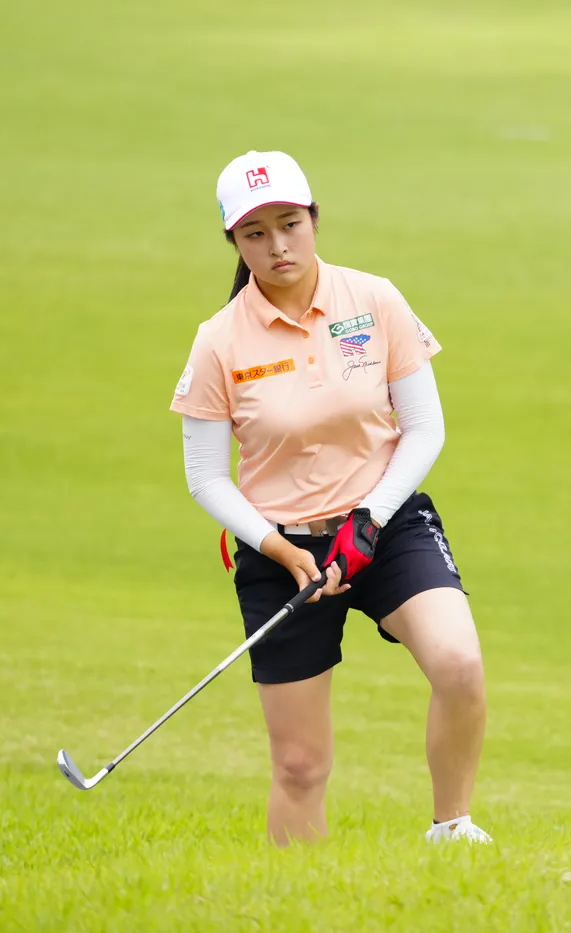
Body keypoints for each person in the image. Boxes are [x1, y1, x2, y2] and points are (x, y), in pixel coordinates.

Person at [169, 150, 490, 846]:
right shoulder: (218, 342)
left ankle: (452, 829)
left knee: (460, 665)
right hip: (280, 549)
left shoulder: (374, 300)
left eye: (290, 224)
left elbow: (425, 428)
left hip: (386, 524)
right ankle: (300, 892)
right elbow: (206, 477)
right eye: (255, 233)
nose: (278, 246)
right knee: (300, 764)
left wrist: (369, 518)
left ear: (315, 219)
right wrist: (281, 549)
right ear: (234, 241)